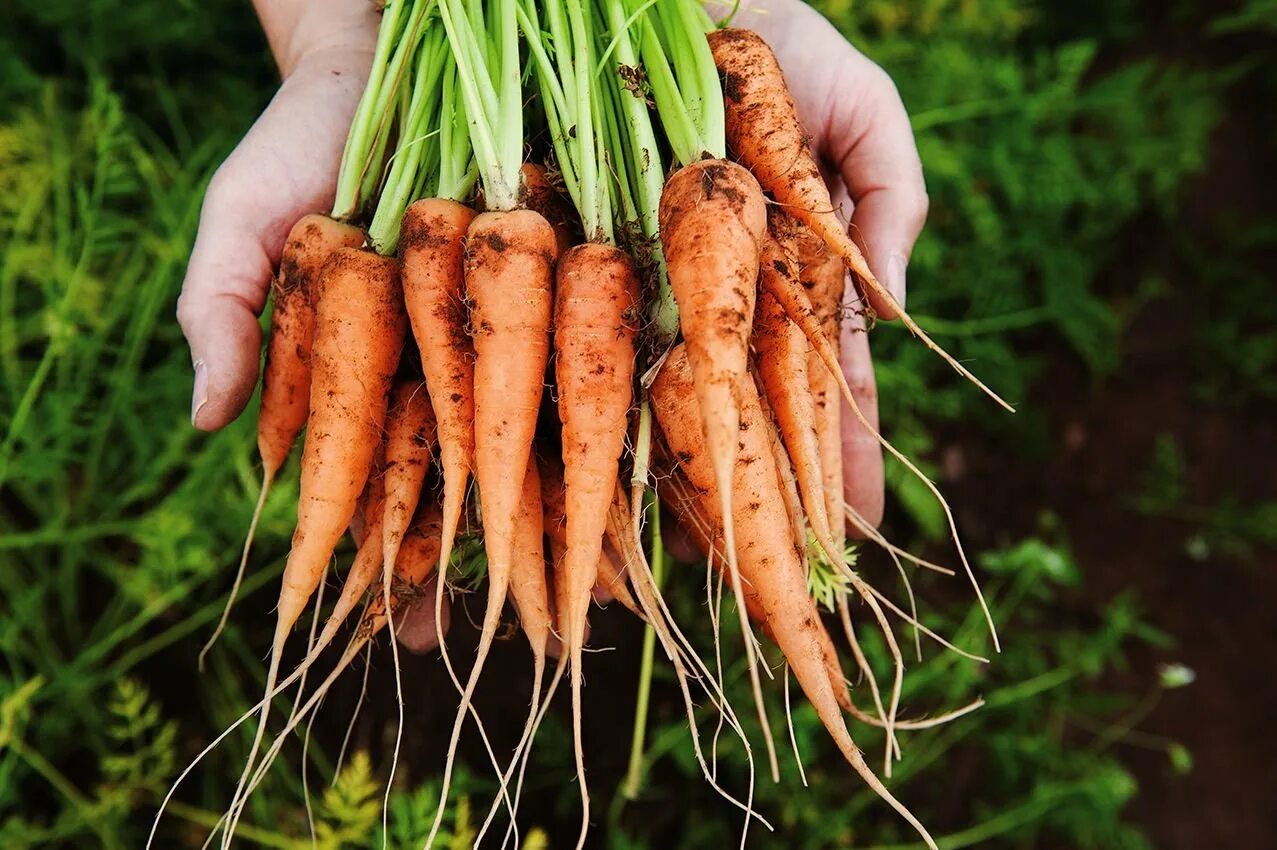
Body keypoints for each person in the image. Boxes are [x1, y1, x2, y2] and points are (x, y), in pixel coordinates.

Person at [176, 0, 928, 648]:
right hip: (511, 218)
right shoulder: (453, 248)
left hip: (648, 204)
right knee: (472, 428)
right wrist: (331, 37)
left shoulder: (692, 202)